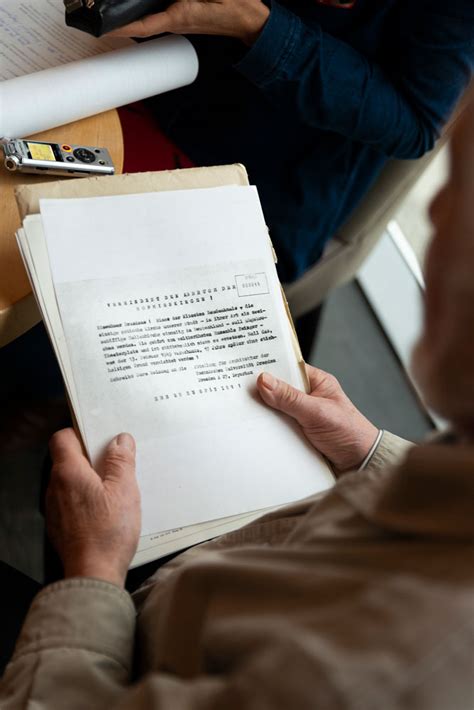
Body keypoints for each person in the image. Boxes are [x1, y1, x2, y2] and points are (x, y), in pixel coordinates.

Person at [1, 90, 474, 709]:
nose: (434, 210)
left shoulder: (366, 677)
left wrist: (93, 569)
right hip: (189, 584)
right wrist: (371, 452)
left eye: (457, 193)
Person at [110, 0, 474, 283]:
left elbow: (416, 123)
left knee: (71, 284)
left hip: (245, 178)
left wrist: (259, 29)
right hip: (134, 69)